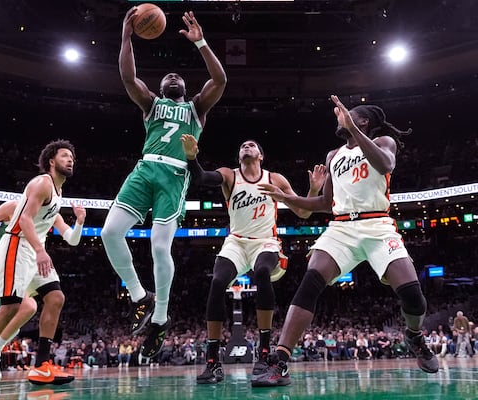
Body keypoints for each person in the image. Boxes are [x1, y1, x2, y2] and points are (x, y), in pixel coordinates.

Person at [258, 95, 439, 385]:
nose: (336, 115)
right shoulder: (333, 156)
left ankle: (414, 335)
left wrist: (353, 129)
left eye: (343, 112)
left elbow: (385, 166)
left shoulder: (383, 143)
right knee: (310, 282)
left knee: (413, 296)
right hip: (341, 227)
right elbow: (327, 202)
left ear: (362, 120)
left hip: (378, 225)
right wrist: (288, 198)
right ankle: (279, 361)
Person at [100, 8, 227, 359]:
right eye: (167, 76)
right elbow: (128, 79)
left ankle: (160, 317)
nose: (172, 76)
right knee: (110, 233)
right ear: (160, 88)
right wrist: (126, 36)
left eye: (178, 76)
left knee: (159, 247)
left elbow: (220, 81)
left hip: (174, 175)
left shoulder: (196, 108)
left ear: (185, 89)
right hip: (144, 170)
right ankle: (141, 296)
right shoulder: (150, 104)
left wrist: (200, 41)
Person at [180, 135, 324, 385]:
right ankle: (213, 360)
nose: (246, 146)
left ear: (261, 155)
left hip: (265, 241)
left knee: (262, 273)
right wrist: (192, 158)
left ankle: (265, 353)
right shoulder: (229, 175)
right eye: (242, 146)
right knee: (217, 282)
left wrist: (313, 190)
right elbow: (202, 177)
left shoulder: (275, 179)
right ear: (239, 157)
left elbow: (303, 212)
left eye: (252, 145)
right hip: (236, 241)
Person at [0, 139, 86, 388]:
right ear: (51, 161)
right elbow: (25, 218)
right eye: (64, 156)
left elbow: (71, 239)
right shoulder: (41, 183)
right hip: (17, 245)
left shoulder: (58, 194)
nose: (70, 160)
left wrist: (79, 220)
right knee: (11, 308)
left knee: (56, 297)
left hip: (32, 251)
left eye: (72, 157)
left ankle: (41, 365)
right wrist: (40, 250)